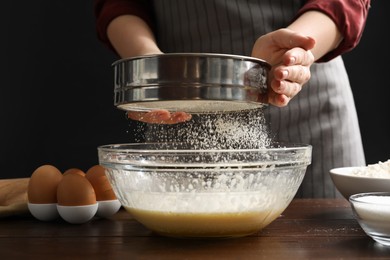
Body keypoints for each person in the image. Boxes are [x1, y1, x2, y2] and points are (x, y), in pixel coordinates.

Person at [93, 0, 371, 198]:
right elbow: (119, 4)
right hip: (182, 102)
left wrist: (294, 50)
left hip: (303, 94)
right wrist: (153, 71)